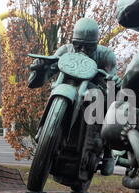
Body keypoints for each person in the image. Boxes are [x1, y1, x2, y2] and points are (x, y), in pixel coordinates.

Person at [28, 17, 118, 176]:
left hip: (92, 90)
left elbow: (112, 79)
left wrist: (114, 81)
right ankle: (44, 130)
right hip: (66, 87)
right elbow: (41, 80)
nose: (82, 50)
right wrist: (41, 69)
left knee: (103, 99)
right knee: (52, 87)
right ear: (73, 41)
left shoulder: (106, 55)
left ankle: (108, 153)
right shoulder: (65, 50)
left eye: (88, 47)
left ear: (95, 44)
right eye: (78, 45)